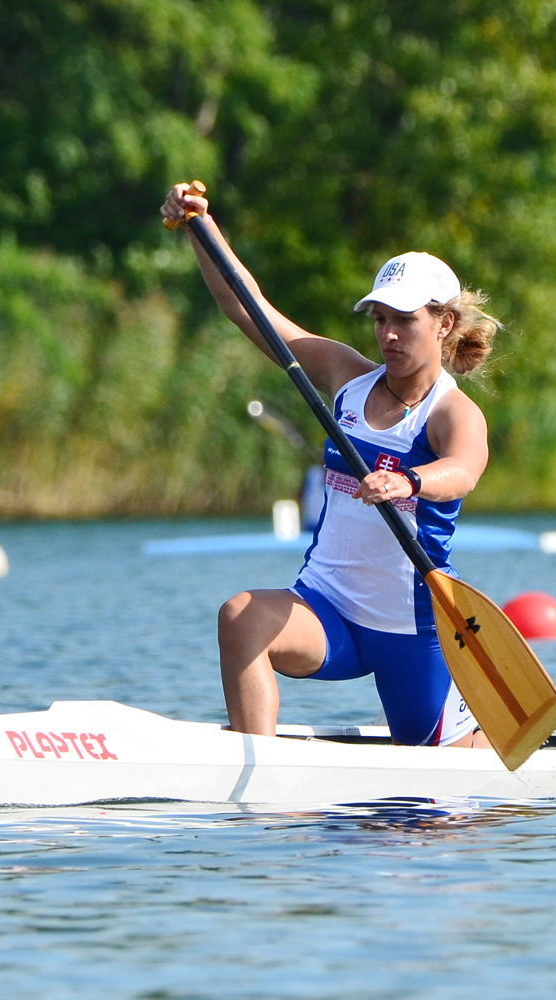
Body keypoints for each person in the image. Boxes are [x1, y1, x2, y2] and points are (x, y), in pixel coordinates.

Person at [162, 182, 501, 749]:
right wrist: (202, 226)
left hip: (412, 628)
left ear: (443, 324)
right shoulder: (346, 375)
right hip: (328, 610)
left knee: (437, 827)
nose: (388, 334)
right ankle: (261, 778)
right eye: (379, 319)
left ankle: (480, 745)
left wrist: (409, 481)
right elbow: (247, 308)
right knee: (240, 616)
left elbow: (464, 470)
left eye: (405, 320)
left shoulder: (453, 413)